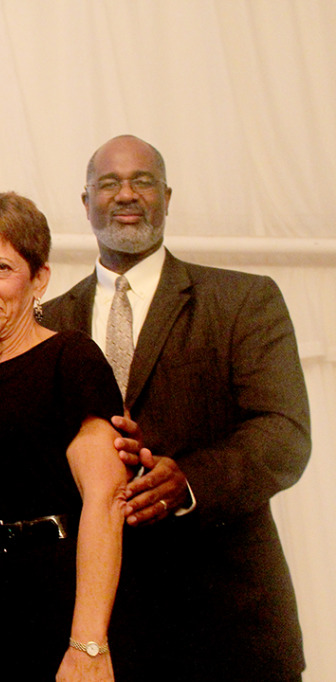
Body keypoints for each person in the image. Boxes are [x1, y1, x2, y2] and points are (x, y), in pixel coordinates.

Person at [43, 134, 310, 681]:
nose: (125, 195)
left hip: (225, 619)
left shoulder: (243, 300)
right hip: (101, 628)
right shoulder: (49, 322)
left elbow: (283, 432)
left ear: (167, 196)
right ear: (85, 202)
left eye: (142, 181)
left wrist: (190, 483)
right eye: (108, 183)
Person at [0, 191, 128, 680]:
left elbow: (106, 499)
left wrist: (88, 644)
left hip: (49, 607)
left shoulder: (71, 359)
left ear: (39, 278)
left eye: (1, 268)